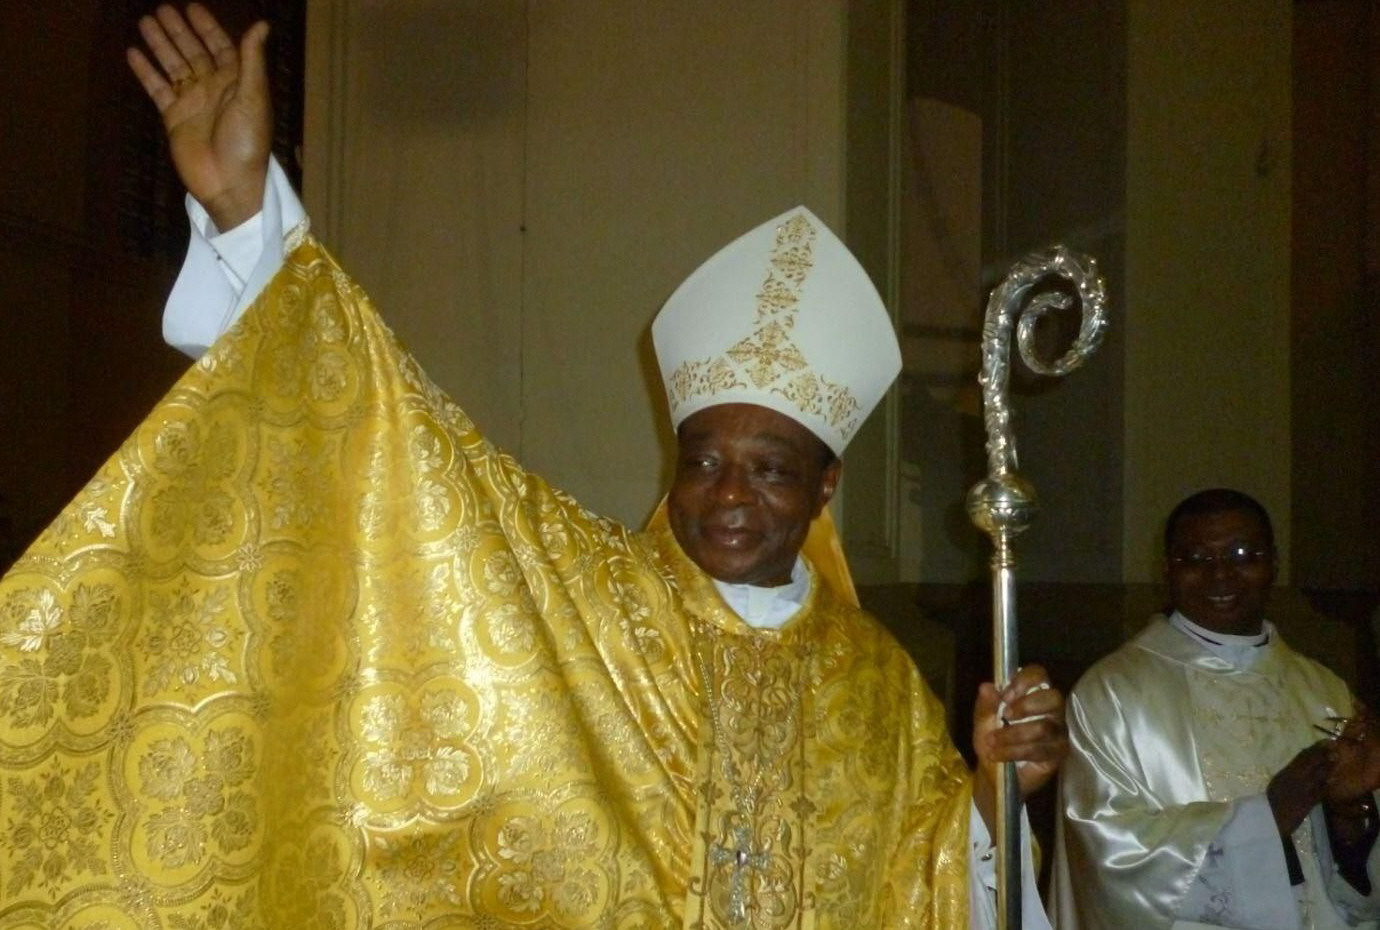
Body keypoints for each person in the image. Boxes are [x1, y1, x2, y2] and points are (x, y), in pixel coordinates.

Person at [0, 5, 1063, 926]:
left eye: (772, 469)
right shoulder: (587, 596)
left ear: (826, 489)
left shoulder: (875, 681)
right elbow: (388, 440)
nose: (728, 494)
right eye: (704, 459)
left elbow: (930, 880)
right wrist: (247, 214)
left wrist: (992, 791)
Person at [1052, 488, 1380, 929]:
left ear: (1274, 564)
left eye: (1243, 554)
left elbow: (1357, 875)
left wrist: (1349, 812)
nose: (1220, 574)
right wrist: (1266, 817)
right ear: (1167, 570)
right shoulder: (1111, 694)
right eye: (1195, 558)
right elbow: (1104, 857)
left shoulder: (1323, 690)